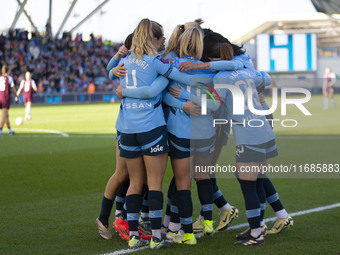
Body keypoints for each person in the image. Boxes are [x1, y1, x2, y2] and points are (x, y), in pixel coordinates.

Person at [0, 64, 18, 136]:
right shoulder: (9, 78)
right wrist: (16, 96)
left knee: (6, 114)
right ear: (8, 70)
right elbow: (13, 88)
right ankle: (0, 130)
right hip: (5, 97)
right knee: (4, 114)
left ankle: (9, 129)